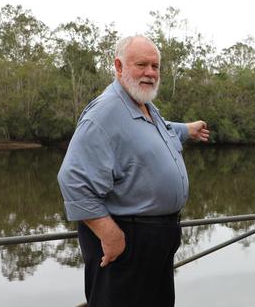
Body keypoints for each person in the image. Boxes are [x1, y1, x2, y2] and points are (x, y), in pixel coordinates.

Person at [57, 35, 210, 307]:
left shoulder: (143, 105)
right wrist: (109, 234)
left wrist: (187, 129)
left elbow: (158, 131)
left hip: (155, 242)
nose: (150, 73)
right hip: (127, 242)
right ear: (118, 66)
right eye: (141, 65)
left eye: (155, 66)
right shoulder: (104, 114)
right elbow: (73, 179)